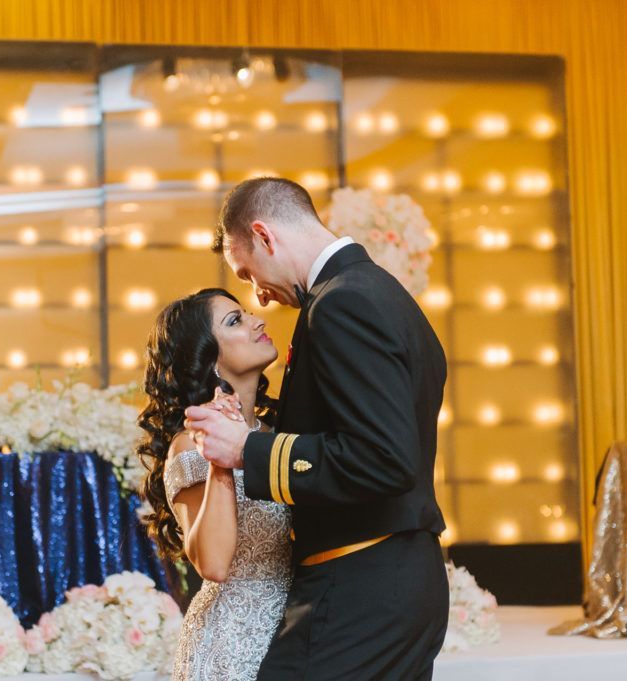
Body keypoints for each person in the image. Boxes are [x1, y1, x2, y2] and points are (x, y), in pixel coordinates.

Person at [185, 177, 449, 680]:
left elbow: (383, 459)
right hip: (387, 575)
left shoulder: (342, 303)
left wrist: (248, 450)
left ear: (265, 237)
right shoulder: (377, 292)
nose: (258, 295)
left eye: (248, 272)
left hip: (359, 581)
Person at [137, 288, 292, 680]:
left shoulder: (276, 435)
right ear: (212, 360)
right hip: (230, 646)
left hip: (293, 635)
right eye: (235, 321)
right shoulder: (190, 444)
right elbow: (214, 563)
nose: (258, 320)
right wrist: (222, 458)